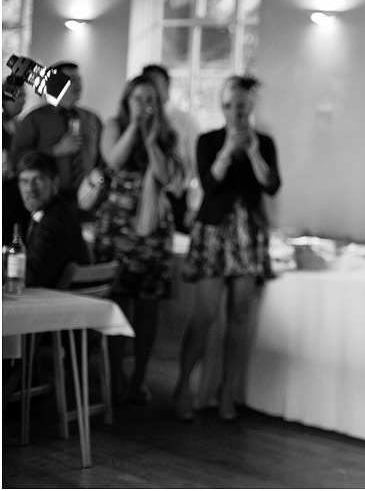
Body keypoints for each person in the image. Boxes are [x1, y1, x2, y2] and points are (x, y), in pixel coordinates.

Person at [174, 75, 281, 422]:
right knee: (205, 315)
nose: (237, 112)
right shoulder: (208, 140)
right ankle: (183, 387)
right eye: (230, 106)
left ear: (250, 107)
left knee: (239, 318)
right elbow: (208, 183)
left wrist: (252, 152)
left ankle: (227, 391)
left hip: (248, 233)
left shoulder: (264, 143)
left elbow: (271, 185)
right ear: (223, 108)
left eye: (242, 106)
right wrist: (227, 151)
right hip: (214, 233)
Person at [92, 74, 185, 405]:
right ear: (127, 101)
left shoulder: (168, 135)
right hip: (116, 224)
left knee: (147, 307)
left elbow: (165, 175)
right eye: (138, 99)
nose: (144, 105)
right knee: (117, 301)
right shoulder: (113, 126)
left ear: (158, 104)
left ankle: (140, 376)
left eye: (150, 100)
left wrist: (151, 139)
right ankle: (114, 375)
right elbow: (113, 160)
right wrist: (134, 128)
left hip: (152, 228)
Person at [9, 61, 103, 207]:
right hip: (49, 201)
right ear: (55, 83)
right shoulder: (35, 118)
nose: (78, 84)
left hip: (89, 199)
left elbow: (101, 160)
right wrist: (55, 150)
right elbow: (17, 157)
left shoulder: (92, 119)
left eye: (79, 79)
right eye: (71, 80)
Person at [16, 151, 90, 287]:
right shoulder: (60, 211)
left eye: (37, 180)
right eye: (24, 181)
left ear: (55, 183)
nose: (30, 189)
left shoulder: (53, 222)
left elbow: (31, 278)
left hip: (60, 299)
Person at [142, 64, 201, 232]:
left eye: (155, 84)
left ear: (166, 86)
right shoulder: (140, 122)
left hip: (176, 197)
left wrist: (194, 205)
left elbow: (198, 169)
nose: (152, 90)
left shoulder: (186, 121)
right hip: (143, 195)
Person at [3, 80, 29, 244]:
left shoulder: (20, 125)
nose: (23, 100)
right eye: (18, 96)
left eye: (24, 96)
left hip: (18, 190)